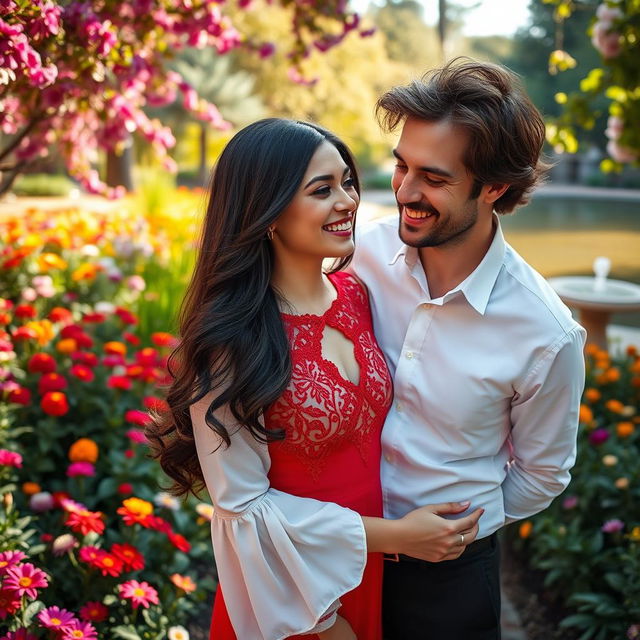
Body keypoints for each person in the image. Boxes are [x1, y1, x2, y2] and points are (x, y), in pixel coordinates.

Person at [146, 118, 484, 640]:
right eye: (322, 190)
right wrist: (325, 624)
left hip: (369, 564)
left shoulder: (356, 295)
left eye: (347, 182)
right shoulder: (232, 339)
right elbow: (241, 507)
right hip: (290, 589)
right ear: (267, 211)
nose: (348, 200)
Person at [349, 59, 587, 640]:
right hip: (339, 546)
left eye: (433, 177)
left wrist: (463, 524)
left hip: (446, 581)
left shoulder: (546, 332)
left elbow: (543, 471)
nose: (405, 190)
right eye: (401, 165)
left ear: (495, 187)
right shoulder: (357, 254)